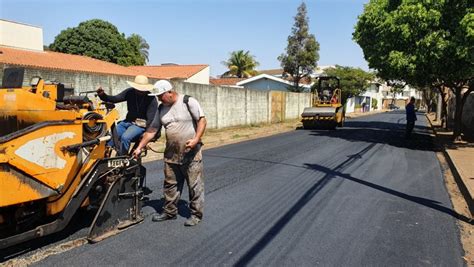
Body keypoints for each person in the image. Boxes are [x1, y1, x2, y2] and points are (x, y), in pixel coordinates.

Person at [133, 80, 207, 227]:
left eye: (161, 96)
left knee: (194, 185)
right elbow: (152, 130)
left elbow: (202, 121)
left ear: (170, 92)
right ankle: (170, 212)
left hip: (191, 154)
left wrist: (196, 139)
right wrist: (140, 147)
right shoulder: (161, 109)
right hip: (171, 154)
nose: (159, 99)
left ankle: (196, 214)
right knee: (170, 184)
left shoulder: (188, 101)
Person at [97, 75, 157, 155]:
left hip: (140, 125)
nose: (140, 91)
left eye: (142, 89)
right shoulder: (130, 92)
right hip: (127, 122)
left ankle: (122, 159)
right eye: (138, 88)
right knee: (111, 136)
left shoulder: (151, 99)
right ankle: (104, 157)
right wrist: (102, 95)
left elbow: (151, 119)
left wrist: (147, 134)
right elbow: (115, 99)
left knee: (125, 137)